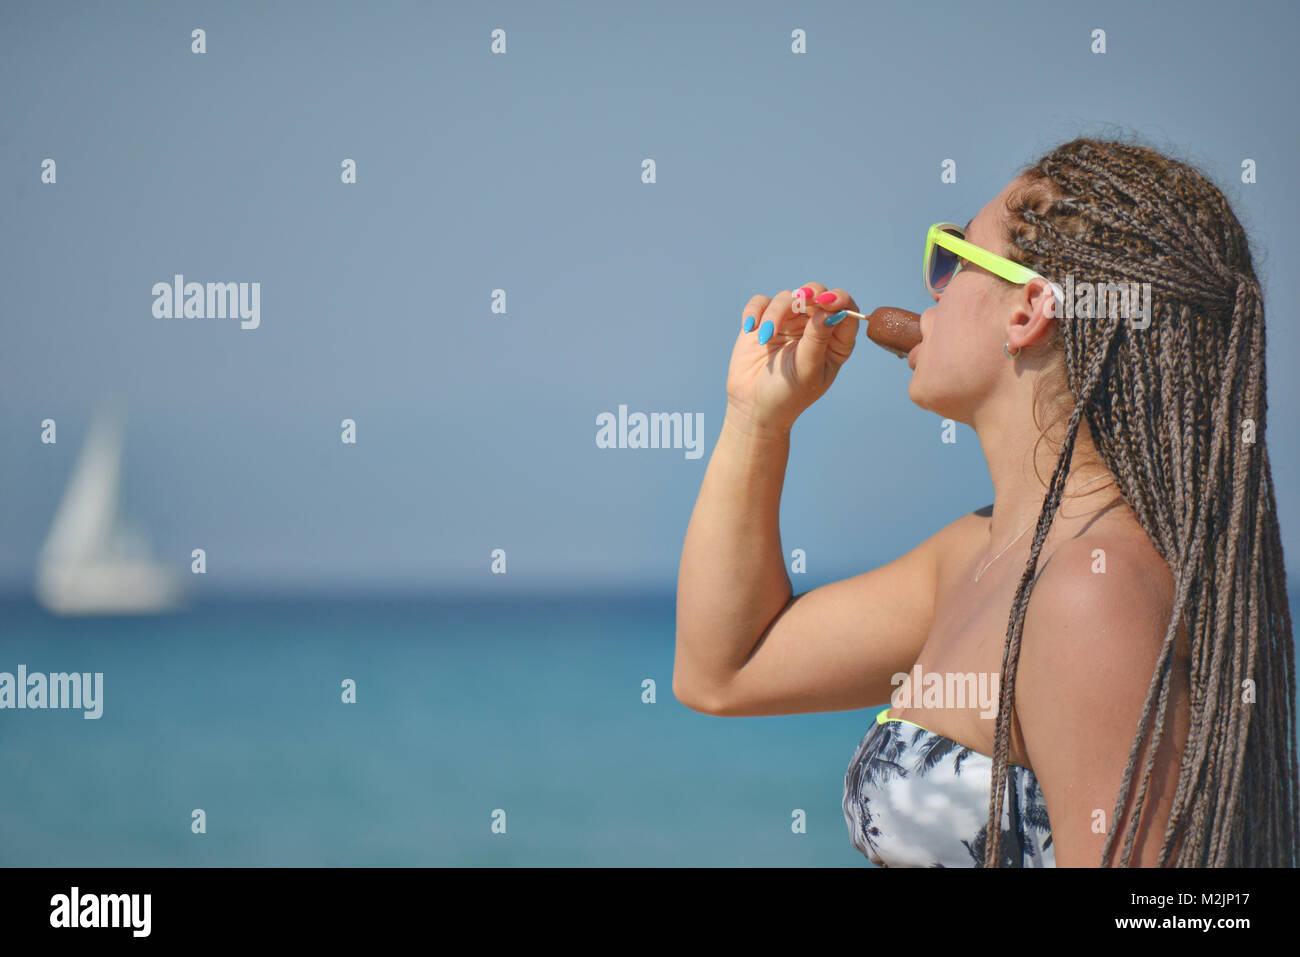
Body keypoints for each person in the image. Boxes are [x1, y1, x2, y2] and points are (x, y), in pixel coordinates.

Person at [673, 137, 1298, 867]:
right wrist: (756, 420)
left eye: (952, 256)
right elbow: (724, 669)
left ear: (1029, 310)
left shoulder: (1090, 593)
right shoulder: (978, 550)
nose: (932, 287)